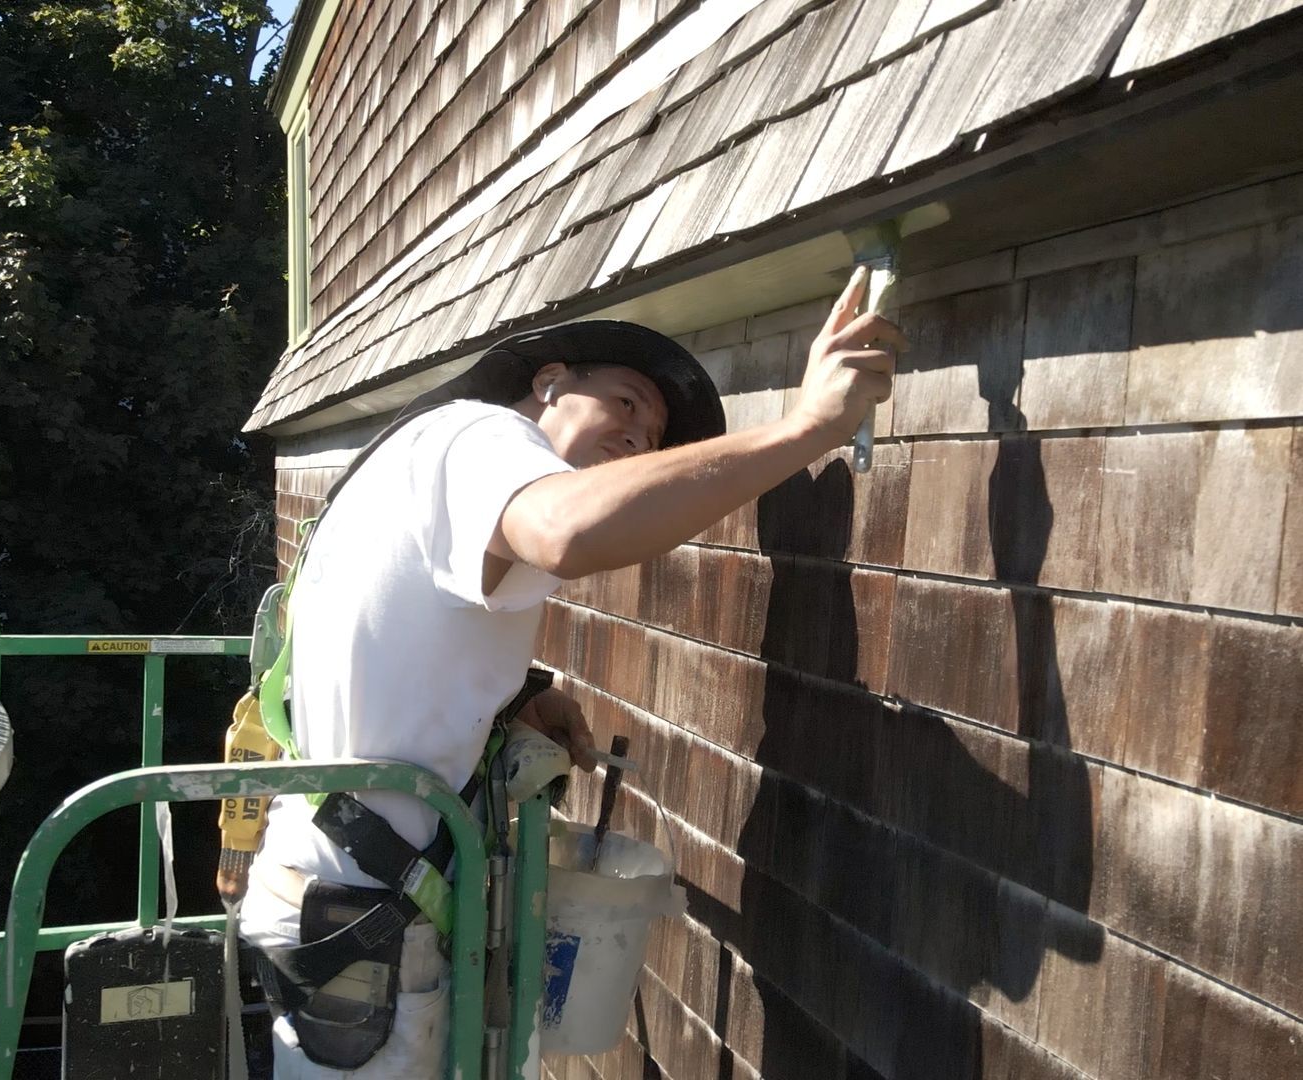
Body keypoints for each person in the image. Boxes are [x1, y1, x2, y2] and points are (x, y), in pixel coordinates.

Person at [240, 266, 902, 1078]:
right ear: (549, 383)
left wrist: (520, 697)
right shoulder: (480, 437)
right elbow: (564, 529)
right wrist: (806, 427)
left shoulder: (427, 454)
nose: (638, 438)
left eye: (653, 437)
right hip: (361, 920)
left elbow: (403, 628)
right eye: (626, 403)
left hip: (340, 897)